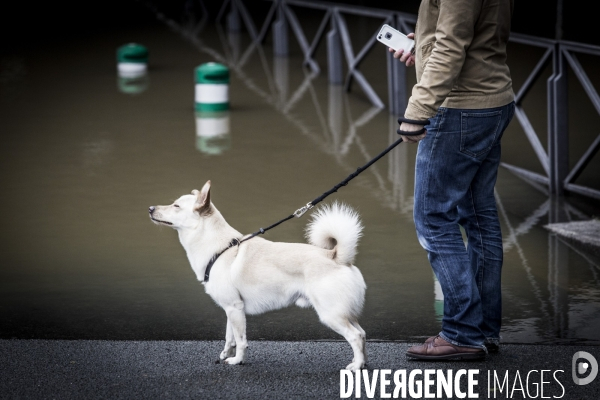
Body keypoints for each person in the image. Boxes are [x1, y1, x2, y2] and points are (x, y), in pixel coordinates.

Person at [390, 0, 516, 360]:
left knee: (433, 219)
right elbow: (477, 33)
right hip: (492, 99)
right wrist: (424, 46)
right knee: (479, 218)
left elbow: (452, 43)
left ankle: (461, 333)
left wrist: (418, 110)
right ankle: (482, 331)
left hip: (462, 107)